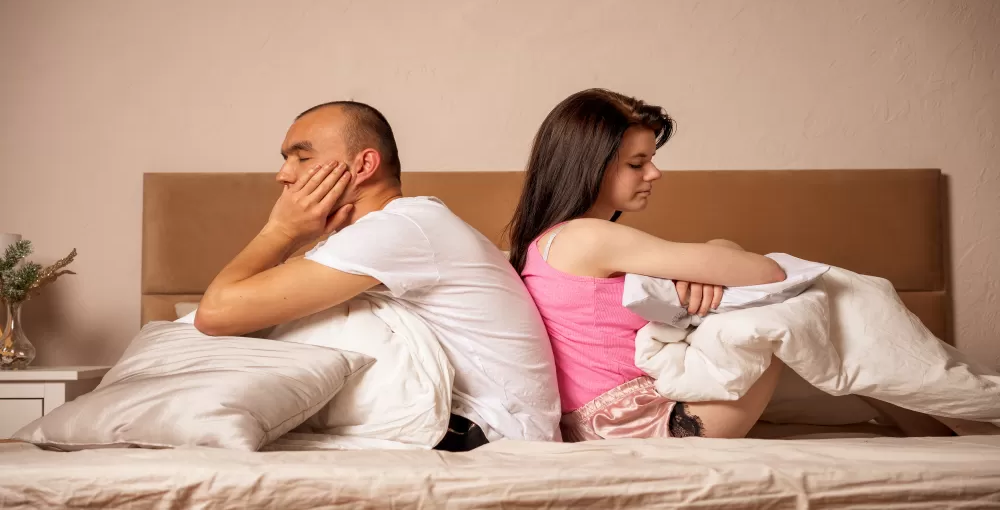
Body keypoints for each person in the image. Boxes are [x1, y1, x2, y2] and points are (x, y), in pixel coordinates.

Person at [195, 101, 562, 449]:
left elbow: (215, 315)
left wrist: (281, 231)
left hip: (494, 433)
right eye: (285, 160)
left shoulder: (401, 229)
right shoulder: (388, 233)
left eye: (303, 158)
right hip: (483, 425)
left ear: (364, 165)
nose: (283, 175)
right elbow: (240, 308)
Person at [506, 88, 788, 441]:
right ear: (588, 167)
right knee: (783, 311)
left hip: (611, 419)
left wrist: (717, 253)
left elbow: (734, 263)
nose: (654, 174)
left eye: (651, 160)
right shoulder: (588, 238)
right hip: (632, 424)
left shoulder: (558, 241)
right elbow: (769, 273)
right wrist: (717, 258)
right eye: (637, 164)